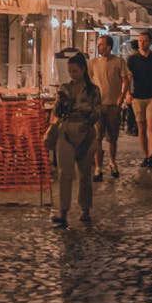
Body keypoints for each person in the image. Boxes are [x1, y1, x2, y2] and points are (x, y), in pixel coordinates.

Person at [49, 52, 101, 227]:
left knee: (84, 173)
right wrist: (62, 102)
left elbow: (97, 110)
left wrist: (89, 122)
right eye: (70, 71)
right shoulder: (64, 88)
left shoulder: (93, 90)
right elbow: (57, 113)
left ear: (83, 70)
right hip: (66, 131)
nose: (72, 74)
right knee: (64, 173)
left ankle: (85, 209)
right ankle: (63, 211)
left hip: (85, 133)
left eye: (75, 71)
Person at [88, 35, 129, 180]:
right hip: (98, 106)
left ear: (109, 47)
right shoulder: (93, 63)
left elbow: (126, 80)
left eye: (101, 45)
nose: (99, 47)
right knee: (97, 138)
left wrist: (121, 98)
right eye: (98, 44)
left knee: (112, 138)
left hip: (113, 106)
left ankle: (112, 162)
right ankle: (98, 167)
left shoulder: (119, 62)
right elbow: (88, 82)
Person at [126, 32, 152, 168]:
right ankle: (145, 155)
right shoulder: (132, 60)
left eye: (145, 41)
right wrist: (127, 93)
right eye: (140, 41)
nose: (142, 43)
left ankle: (151, 156)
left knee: (151, 127)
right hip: (137, 97)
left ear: (149, 42)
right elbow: (128, 78)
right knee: (141, 128)